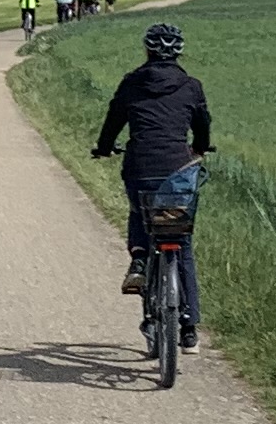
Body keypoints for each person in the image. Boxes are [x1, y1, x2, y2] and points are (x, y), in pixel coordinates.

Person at [89, 18, 213, 338]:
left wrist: (104, 148)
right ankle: (188, 328)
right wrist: (199, 148)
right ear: (179, 54)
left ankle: (140, 261)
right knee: (180, 241)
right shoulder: (191, 86)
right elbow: (202, 125)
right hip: (178, 170)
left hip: (141, 166)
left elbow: (113, 120)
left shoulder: (131, 83)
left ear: (147, 50)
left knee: (138, 211)